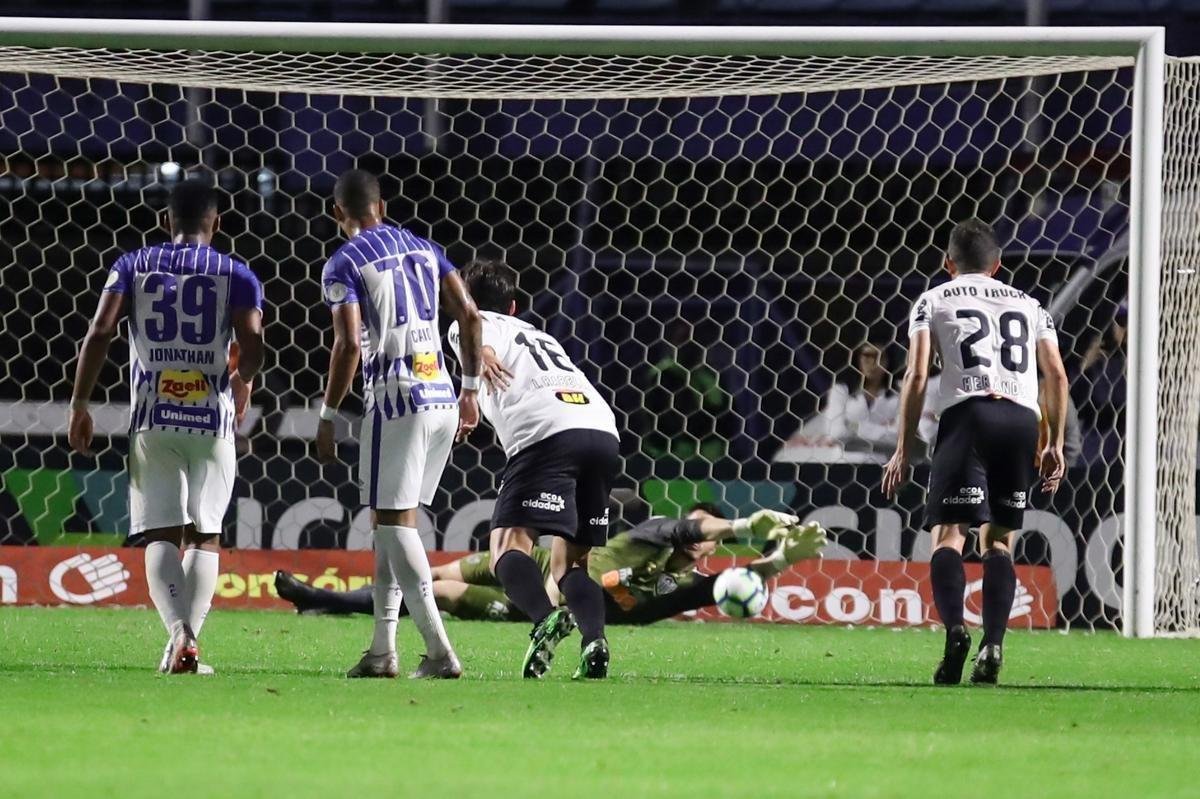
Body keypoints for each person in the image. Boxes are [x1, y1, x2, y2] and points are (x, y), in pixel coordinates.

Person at [68, 179, 264, 674]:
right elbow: (253, 343)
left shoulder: (132, 265)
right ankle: (187, 643)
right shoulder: (237, 273)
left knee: (160, 534)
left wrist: (80, 404)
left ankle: (180, 637)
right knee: (205, 536)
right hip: (212, 420)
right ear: (216, 223)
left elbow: (100, 331)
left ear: (165, 221)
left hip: (153, 419)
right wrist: (243, 380)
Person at [882, 219, 1068, 686]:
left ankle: (954, 631)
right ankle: (994, 644)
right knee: (999, 541)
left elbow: (916, 375)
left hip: (968, 416)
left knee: (949, 537)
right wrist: (1053, 441)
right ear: (998, 265)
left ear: (948, 263)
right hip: (1021, 421)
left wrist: (903, 448)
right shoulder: (1030, 305)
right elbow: (1056, 375)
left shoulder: (933, 299)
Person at [316, 169, 483, 680]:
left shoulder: (343, 262)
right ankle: (382, 651)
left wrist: (327, 414)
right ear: (382, 207)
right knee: (391, 525)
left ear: (337, 213)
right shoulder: (426, 248)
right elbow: (470, 315)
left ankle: (439, 651)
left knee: (391, 524)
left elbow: (348, 344)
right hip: (441, 394)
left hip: (396, 398)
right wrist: (470, 390)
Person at [446, 259, 623, 679]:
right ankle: (594, 641)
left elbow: (478, 337)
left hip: (547, 433)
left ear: (464, 302)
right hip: (602, 430)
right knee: (571, 564)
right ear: (513, 306)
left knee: (507, 546)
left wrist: (481, 357)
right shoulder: (539, 334)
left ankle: (545, 619)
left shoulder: (467, 322)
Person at [273, 503, 826, 624]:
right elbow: (683, 528)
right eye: (699, 526)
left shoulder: (682, 585)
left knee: (436, 595)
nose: (699, 534)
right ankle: (332, 602)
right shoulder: (652, 536)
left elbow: (728, 585)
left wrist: (782, 559)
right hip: (536, 560)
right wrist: (742, 526)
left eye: (709, 533)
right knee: (429, 574)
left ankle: (319, 600)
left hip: (542, 604)